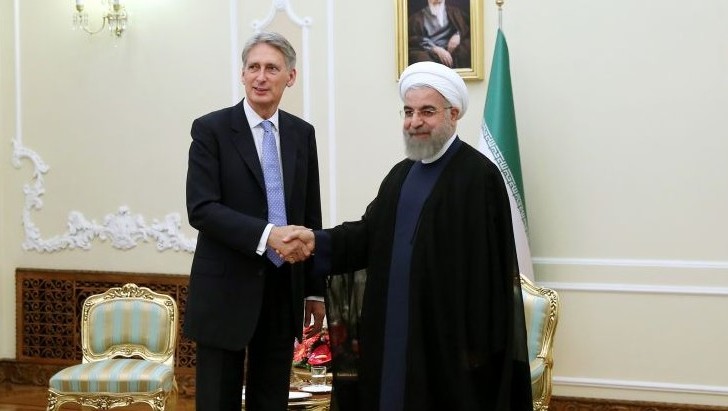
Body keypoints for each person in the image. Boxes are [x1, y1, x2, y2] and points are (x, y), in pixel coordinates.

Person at [282, 62, 533, 410]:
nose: (415, 121)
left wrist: (474, 349)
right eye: (409, 111)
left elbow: (487, 273)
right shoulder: (400, 175)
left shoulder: (479, 177)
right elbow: (368, 236)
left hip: (448, 344)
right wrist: (315, 241)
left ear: (453, 114)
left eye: (427, 112)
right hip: (392, 330)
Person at [184, 31, 325, 411]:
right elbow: (201, 208)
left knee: (272, 400)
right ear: (243, 74)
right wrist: (268, 236)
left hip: (283, 290)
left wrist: (314, 289)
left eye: (272, 68)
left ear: (290, 77)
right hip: (224, 292)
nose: (261, 77)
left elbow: (311, 214)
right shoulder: (211, 130)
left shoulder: (301, 133)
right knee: (218, 401)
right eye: (254, 67)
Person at [408, 0, 471, 68]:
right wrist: (435, 49)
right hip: (430, 52)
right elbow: (414, 39)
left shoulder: (455, 12)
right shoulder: (416, 18)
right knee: (421, 58)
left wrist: (458, 35)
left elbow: (468, 28)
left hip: (453, 51)